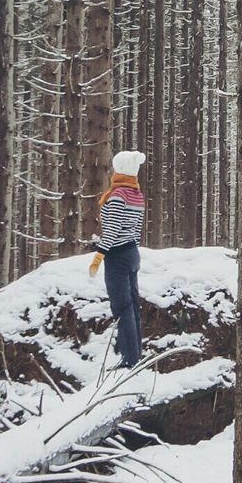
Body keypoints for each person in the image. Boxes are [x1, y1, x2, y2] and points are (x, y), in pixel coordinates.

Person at [89, 150, 147, 368]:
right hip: (132, 252)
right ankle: (136, 352)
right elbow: (134, 227)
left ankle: (129, 359)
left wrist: (99, 255)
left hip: (118, 256)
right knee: (132, 306)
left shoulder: (117, 196)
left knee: (122, 308)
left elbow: (112, 231)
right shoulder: (136, 195)